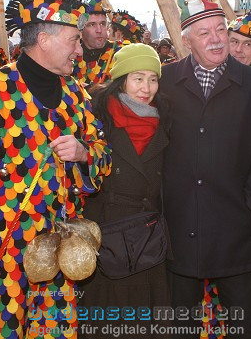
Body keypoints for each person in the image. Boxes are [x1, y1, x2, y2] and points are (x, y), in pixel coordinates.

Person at [0, 0, 111, 339]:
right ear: (44, 40)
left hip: (63, 246)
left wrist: (82, 154)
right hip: (4, 249)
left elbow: (103, 156)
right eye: (74, 40)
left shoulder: (76, 93)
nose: (79, 51)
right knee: (1, 331)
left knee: (56, 331)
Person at [159, 0, 251, 338]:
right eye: (204, 33)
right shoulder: (164, 82)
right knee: (179, 325)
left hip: (235, 229)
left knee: (243, 325)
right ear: (186, 41)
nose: (216, 39)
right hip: (180, 230)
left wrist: (250, 204)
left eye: (220, 30)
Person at [80, 43, 170, 336]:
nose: (146, 87)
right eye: (138, 78)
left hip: (148, 235)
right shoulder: (97, 114)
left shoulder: (165, 116)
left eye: (152, 78)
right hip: (108, 231)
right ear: (122, 79)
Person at [72, 0, 121, 86]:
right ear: (81, 29)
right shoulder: (71, 53)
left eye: (102, 24)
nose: (99, 30)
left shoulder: (119, 53)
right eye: (92, 25)